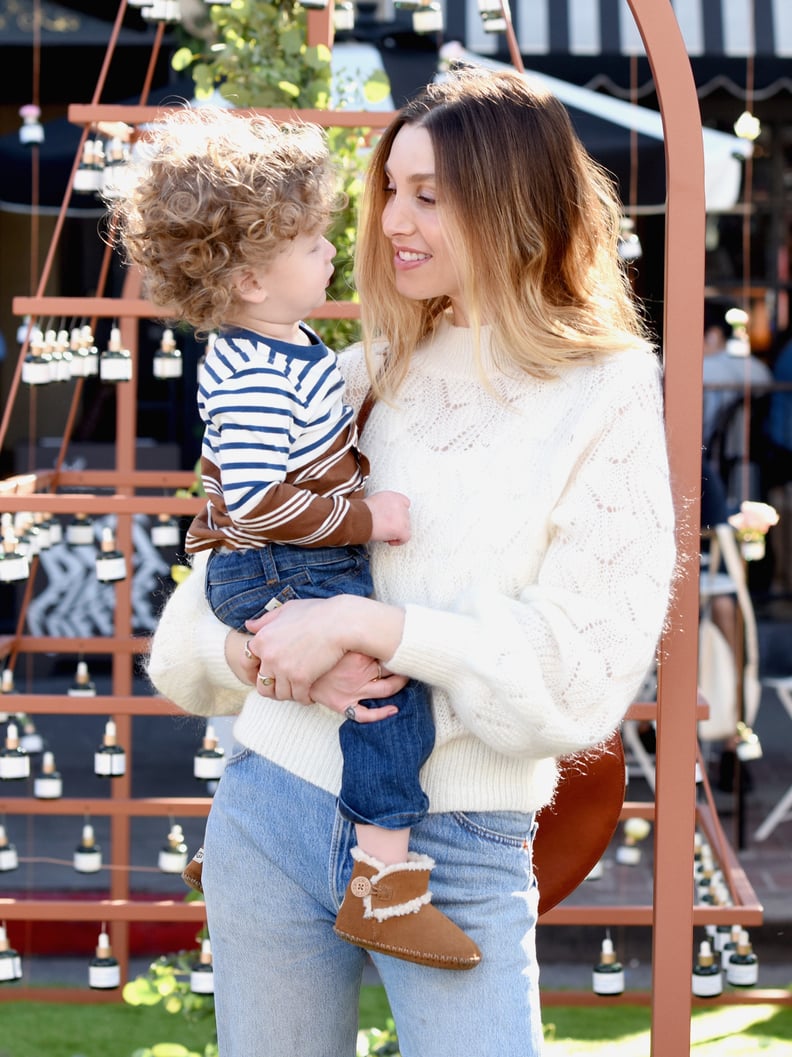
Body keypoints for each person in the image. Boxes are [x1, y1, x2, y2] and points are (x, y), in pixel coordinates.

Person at [147, 67, 676, 1057]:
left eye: (428, 193)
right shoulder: (351, 376)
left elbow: (576, 678)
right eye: (392, 187)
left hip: (459, 844)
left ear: (515, 205)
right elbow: (194, 621)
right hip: (273, 810)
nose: (393, 217)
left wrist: (368, 627)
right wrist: (266, 652)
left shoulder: (604, 392)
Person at [110, 107, 478, 970]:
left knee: (349, 678)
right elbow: (261, 503)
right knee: (388, 699)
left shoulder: (289, 348)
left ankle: (240, 847)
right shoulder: (247, 372)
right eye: (310, 240)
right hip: (280, 558)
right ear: (246, 280)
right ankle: (384, 884)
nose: (334, 250)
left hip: (295, 558)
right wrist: (367, 516)